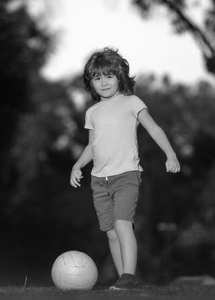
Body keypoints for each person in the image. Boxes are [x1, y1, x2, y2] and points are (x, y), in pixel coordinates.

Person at [70, 47, 180, 290]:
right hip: (99, 180)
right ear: (91, 83)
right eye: (97, 78)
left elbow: (154, 129)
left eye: (109, 75)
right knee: (110, 233)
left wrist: (170, 154)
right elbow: (92, 146)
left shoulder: (132, 102)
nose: (104, 82)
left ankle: (128, 276)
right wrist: (78, 165)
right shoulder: (92, 112)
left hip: (127, 175)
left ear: (120, 76)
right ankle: (124, 281)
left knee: (123, 224)